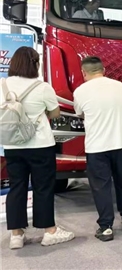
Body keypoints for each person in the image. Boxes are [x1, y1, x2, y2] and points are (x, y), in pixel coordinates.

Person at [1, 47, 75, 249]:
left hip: (12, 144)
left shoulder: (2, 85)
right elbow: (55, 113)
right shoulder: (42, 87)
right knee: (43, 187)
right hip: (40, 144)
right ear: (34, 63)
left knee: (17, 187)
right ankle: (49, 231)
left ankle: (16, 235)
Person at [73, 56, 122, 242]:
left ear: (84, 73)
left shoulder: (80, 91)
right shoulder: (119, 86)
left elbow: (80, 113)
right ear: (103, 70)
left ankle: (106, 227)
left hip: (97, 146)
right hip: (120, 142)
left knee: (101, 187)